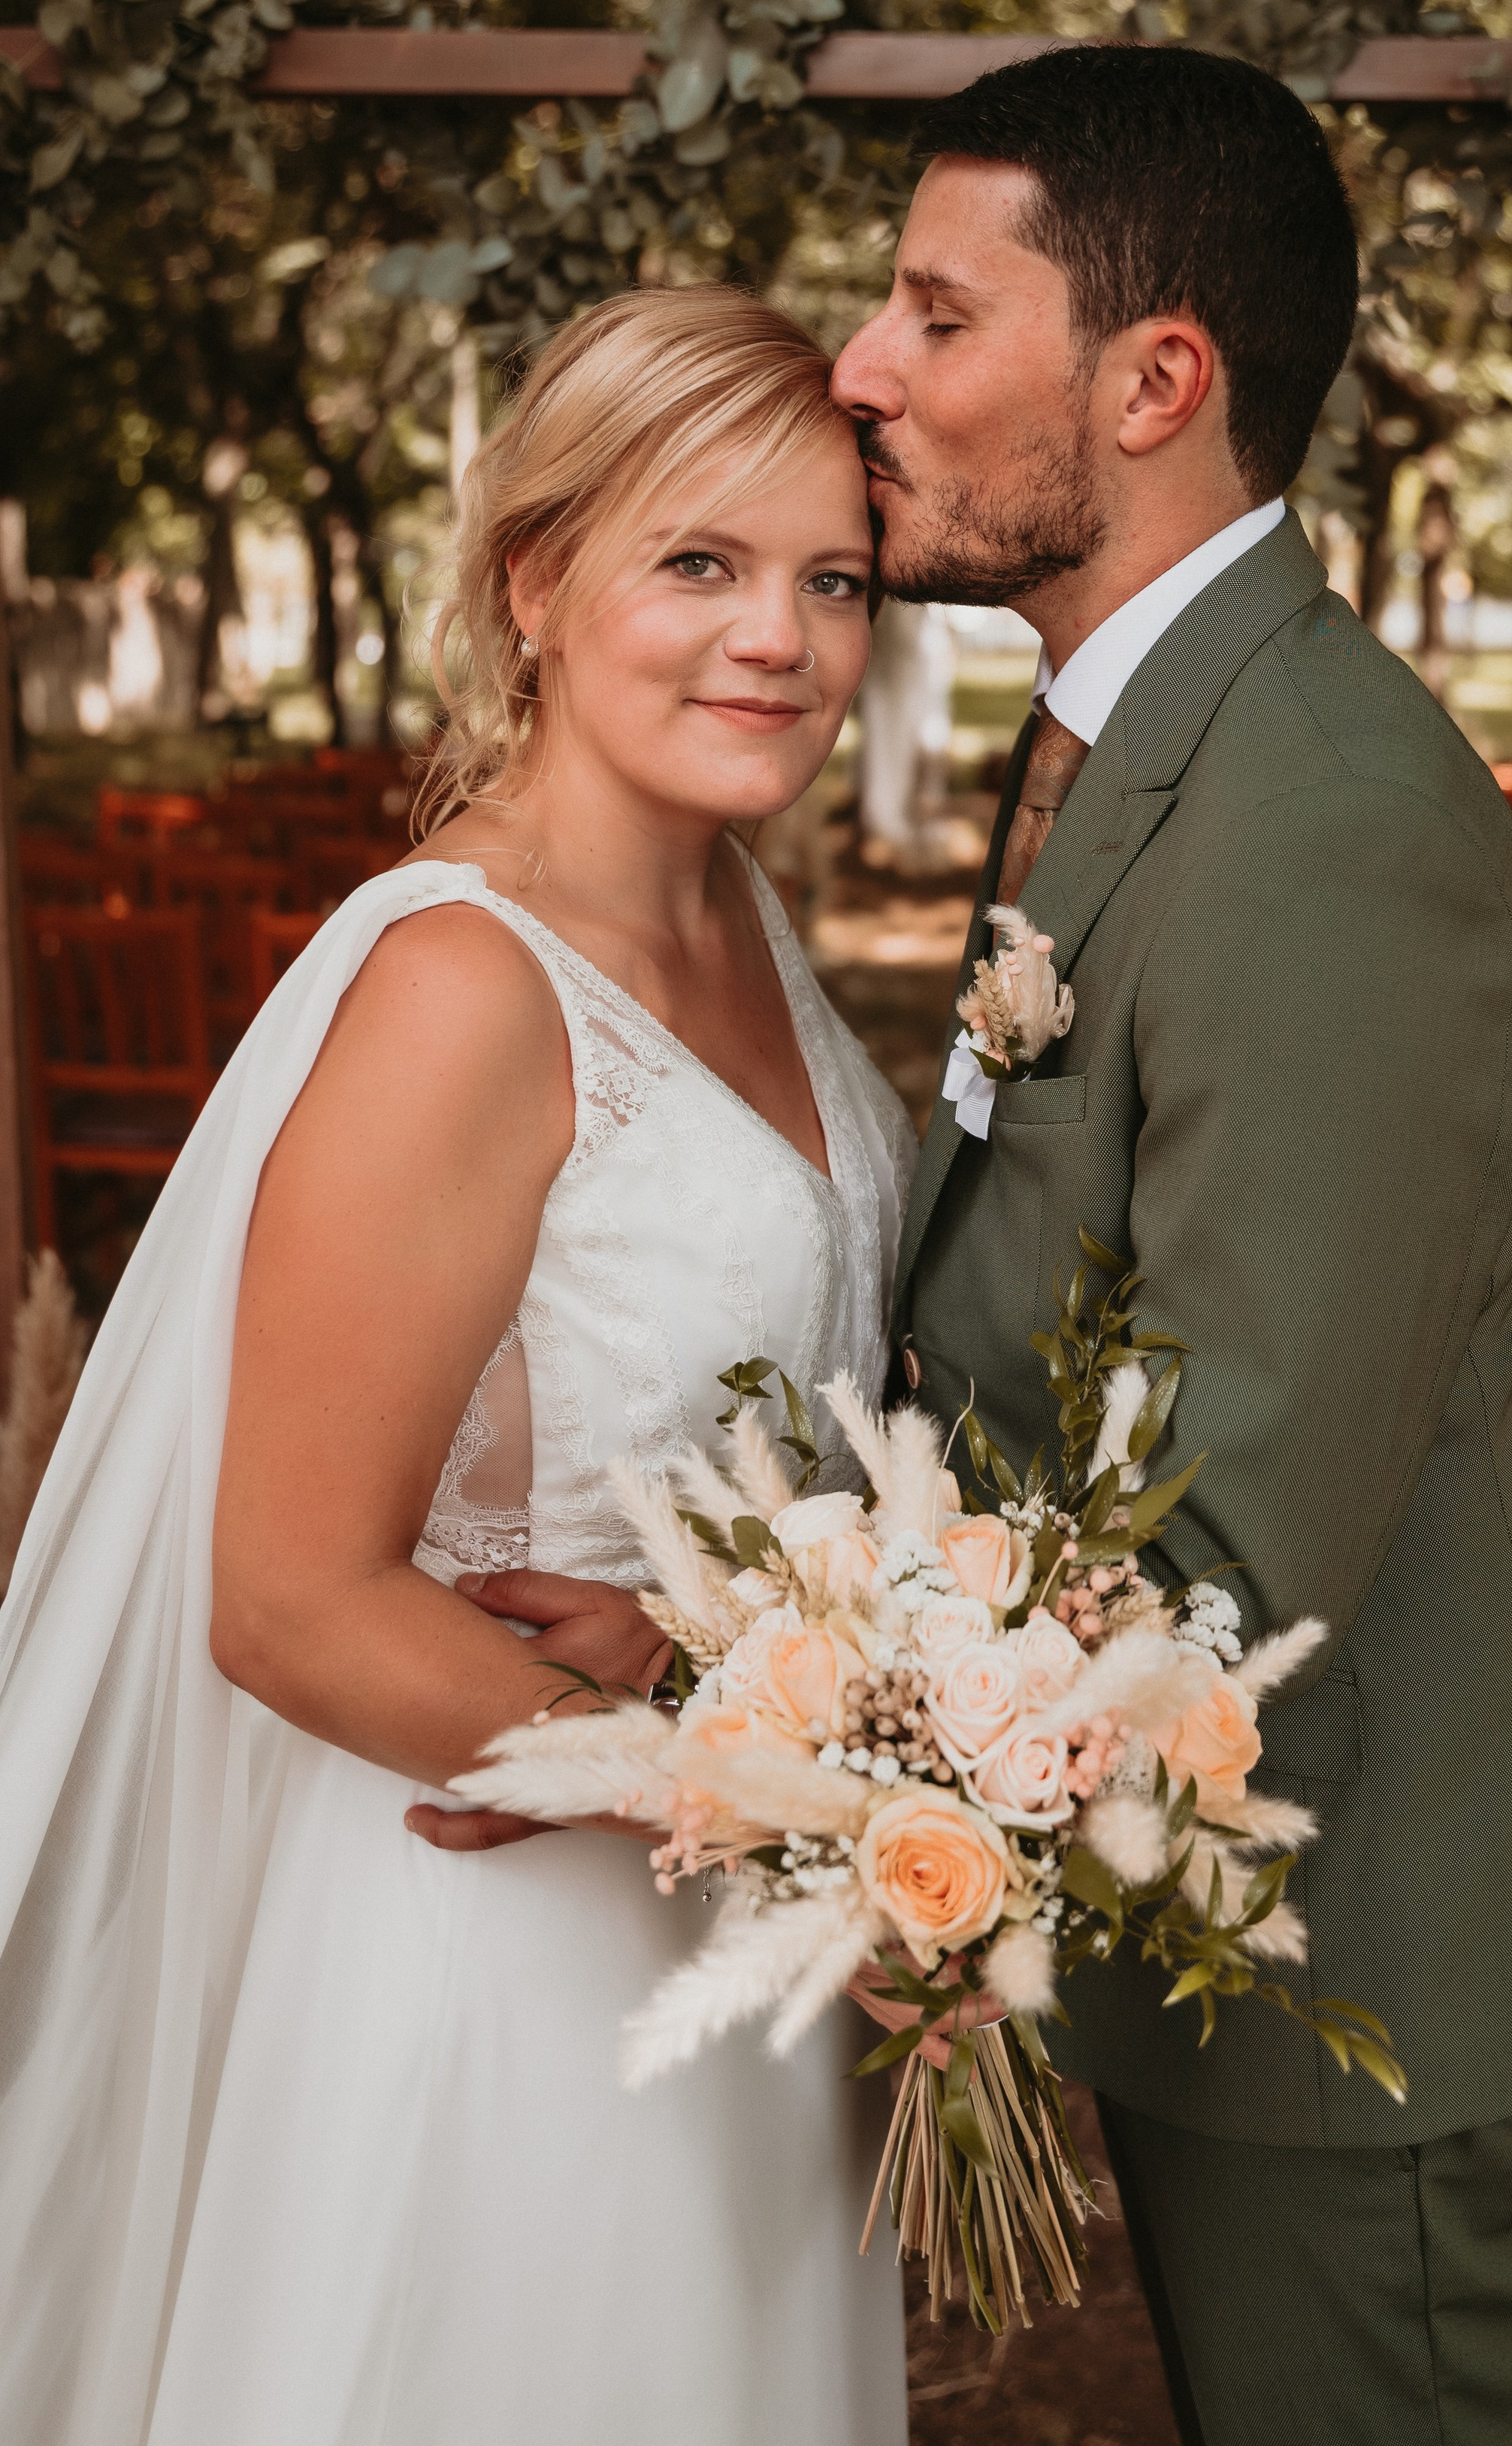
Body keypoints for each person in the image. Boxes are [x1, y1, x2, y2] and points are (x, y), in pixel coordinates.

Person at [830, 41, 1512, 2446]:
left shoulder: (1321, 815)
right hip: (1228, 1913)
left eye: (930, 311)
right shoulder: (1135, 727)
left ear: (1154, 380)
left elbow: (1221, 1526)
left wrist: (796, 1709)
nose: (861, 369)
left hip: (1375, 1945)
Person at [0, 288, 913, 2446]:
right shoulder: (459, 988)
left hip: (727, 1927)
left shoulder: (736, 920)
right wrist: (784, 1805)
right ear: (537, 577)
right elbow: (291, 1595)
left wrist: (825, 1728)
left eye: (834, 579)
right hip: (505, 1952)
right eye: (700, 561)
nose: (775, 636)